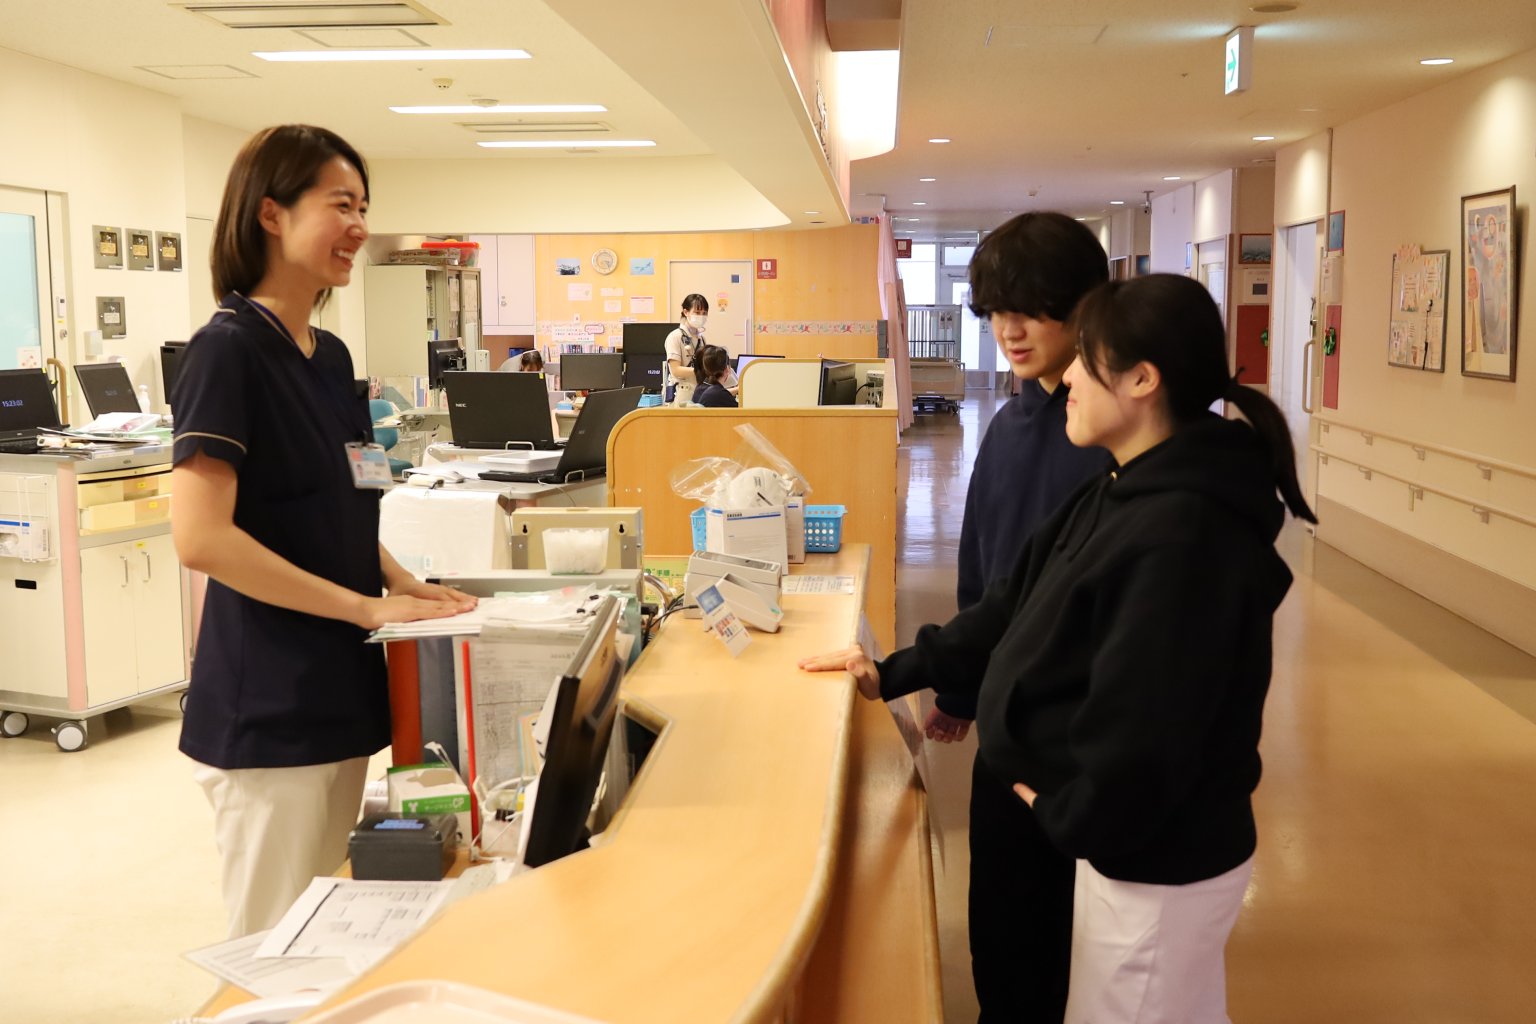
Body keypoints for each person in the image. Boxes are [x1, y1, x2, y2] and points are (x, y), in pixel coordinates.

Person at [803, 273, 1316, 1023]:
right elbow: (1010, 607)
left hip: (1154, 860)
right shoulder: (1119, 488)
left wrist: (1072, 819)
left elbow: (1152, 724)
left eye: (1086, 360)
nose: (1066, 377)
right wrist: (891, 673)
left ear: (1142, 379)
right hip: (1124, 846)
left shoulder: (1184, 533)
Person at [171, 124, 477, 939]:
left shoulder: (329, 355)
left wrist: (398, 581)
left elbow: (347, 494)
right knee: (274, 943)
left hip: (338, 686)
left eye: (364, 206)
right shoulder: (227, 353)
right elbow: (202, 539)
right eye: (341, 204)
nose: (359, 226)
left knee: (325, 928)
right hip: (270, 702)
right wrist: (363, 609)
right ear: (271, 214)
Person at [932, 211, 1114, 1021]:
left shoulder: (1116, 435)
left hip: (1084, 730)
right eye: (996, 309)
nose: (1010, 328)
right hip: (1010, 719)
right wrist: (962, 686)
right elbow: (986, 573)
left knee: (1071, 933)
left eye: (1032, 308)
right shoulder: (1010, 425)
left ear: (1087, 306)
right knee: (1001, 924)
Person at [663, 293, 708, 404]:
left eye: (704, 313)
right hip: (681, 393)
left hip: (697, 392)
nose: (701, 316)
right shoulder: (675, 336)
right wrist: (703, 371)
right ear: (686, 312)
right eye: (697, 313)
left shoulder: (701, 339)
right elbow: (676, 370)